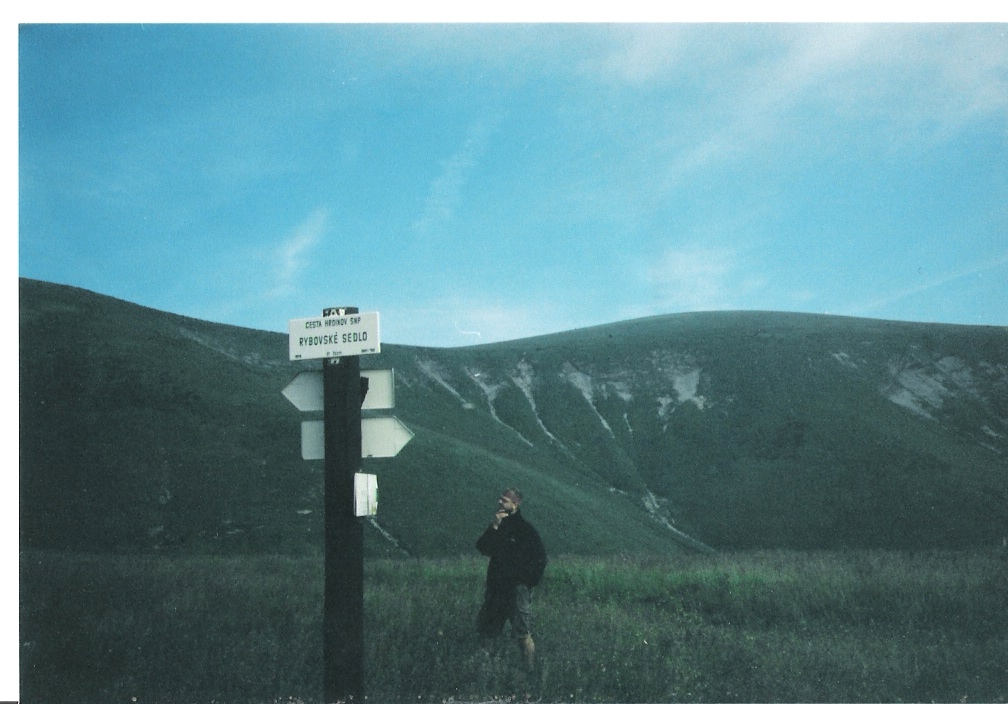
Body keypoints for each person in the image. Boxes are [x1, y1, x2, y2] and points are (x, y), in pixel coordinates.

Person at [475, 488, 547, 670]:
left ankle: (530, 672)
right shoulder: (499, 525)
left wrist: (524, 582)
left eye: (504, 500)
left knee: (523, 635)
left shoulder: (526, 530)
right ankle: (486, 671)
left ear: (515, 504)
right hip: (496, 589)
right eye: (500, 499)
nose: (500, 503)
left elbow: (540, 559)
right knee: (488, 632)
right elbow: (483, 547)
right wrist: (494, 526)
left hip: (516, 591)